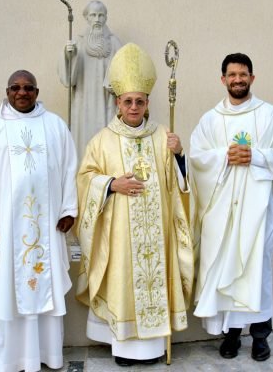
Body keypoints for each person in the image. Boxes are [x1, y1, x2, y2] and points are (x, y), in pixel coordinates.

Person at [74, 43, 194, 367]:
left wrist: (180, 155)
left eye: (139, 101)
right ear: (118, 103)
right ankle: (124, 350)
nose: (133, 107)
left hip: (158, 235)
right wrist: (112, 184)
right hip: (121, 236)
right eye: (128, 101)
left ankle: (154, 349)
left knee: (154, 281)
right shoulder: (102, 140)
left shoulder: (162, 136)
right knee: (125, 282)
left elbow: (178, 186)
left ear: (147, 103)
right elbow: (85, 178)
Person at [0, 70, 77, 372]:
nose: (22, 93)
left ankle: (47, 354)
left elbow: (69, 170)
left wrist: (68, 209)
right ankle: (9, 359)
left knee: (44, 288)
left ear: (37, 92)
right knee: (10, 291)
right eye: (16, 88)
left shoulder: (55, 126)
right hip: (7, 233)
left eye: (28, 88)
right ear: (7, 91)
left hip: (48, 227)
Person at [189, 53, 273, 362]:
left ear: (252, 77)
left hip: (258, 210)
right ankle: (232, 335)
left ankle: (261, 336)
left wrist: (257, 157)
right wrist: (225, 155)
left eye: (243, 74)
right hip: (221, 213)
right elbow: (197, 158)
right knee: (226, 269)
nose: (238, 79)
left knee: (256, 271)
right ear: (222, 79)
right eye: (232, 75)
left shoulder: (270, 116)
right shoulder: (211, 120)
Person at [59, 0, 123, 151]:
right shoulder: (78, 43)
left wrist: (114, 83)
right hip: (83, 103)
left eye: (101, 15)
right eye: (93, 15)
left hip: (106, 101)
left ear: (106, 18)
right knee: (83, 142)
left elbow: (123, 67)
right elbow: (68, 80)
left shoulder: (114, 42)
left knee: (107, 143)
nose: (97, 19)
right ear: (86, 18)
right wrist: (69, 56)